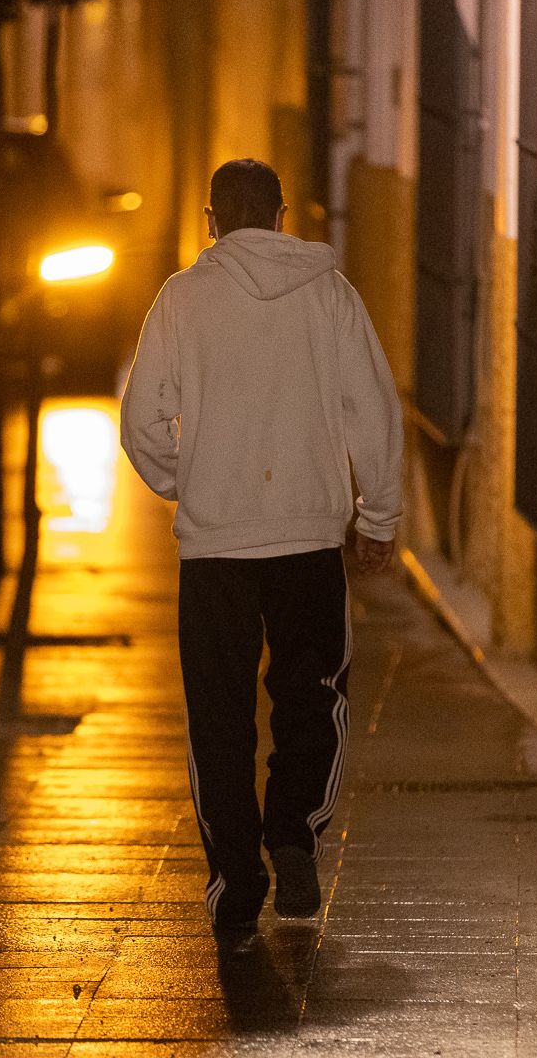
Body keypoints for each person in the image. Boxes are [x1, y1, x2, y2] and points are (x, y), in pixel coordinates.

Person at [120, 158, 404, 939]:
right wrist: (376, 517)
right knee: (313, 698)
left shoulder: (180, 301)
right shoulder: (330, 295)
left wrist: (193, 482)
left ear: (211, 219)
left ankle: (236, 884)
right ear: (281, 215)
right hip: (309, 541)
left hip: (214, 553)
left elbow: (142, 419)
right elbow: (372, 407)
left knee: (219, 717)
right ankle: (293, 833)